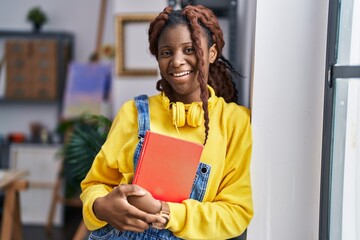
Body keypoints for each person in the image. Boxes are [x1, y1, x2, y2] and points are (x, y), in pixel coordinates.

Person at [80, 4, 253, 240]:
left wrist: (164, 211)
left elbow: (236, 213)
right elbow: (95, 184)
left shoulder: (235, 122)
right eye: (166, 52)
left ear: (212, 53)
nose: (177, 61)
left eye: (190, 49)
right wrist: (100, 207)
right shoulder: (133, 113)